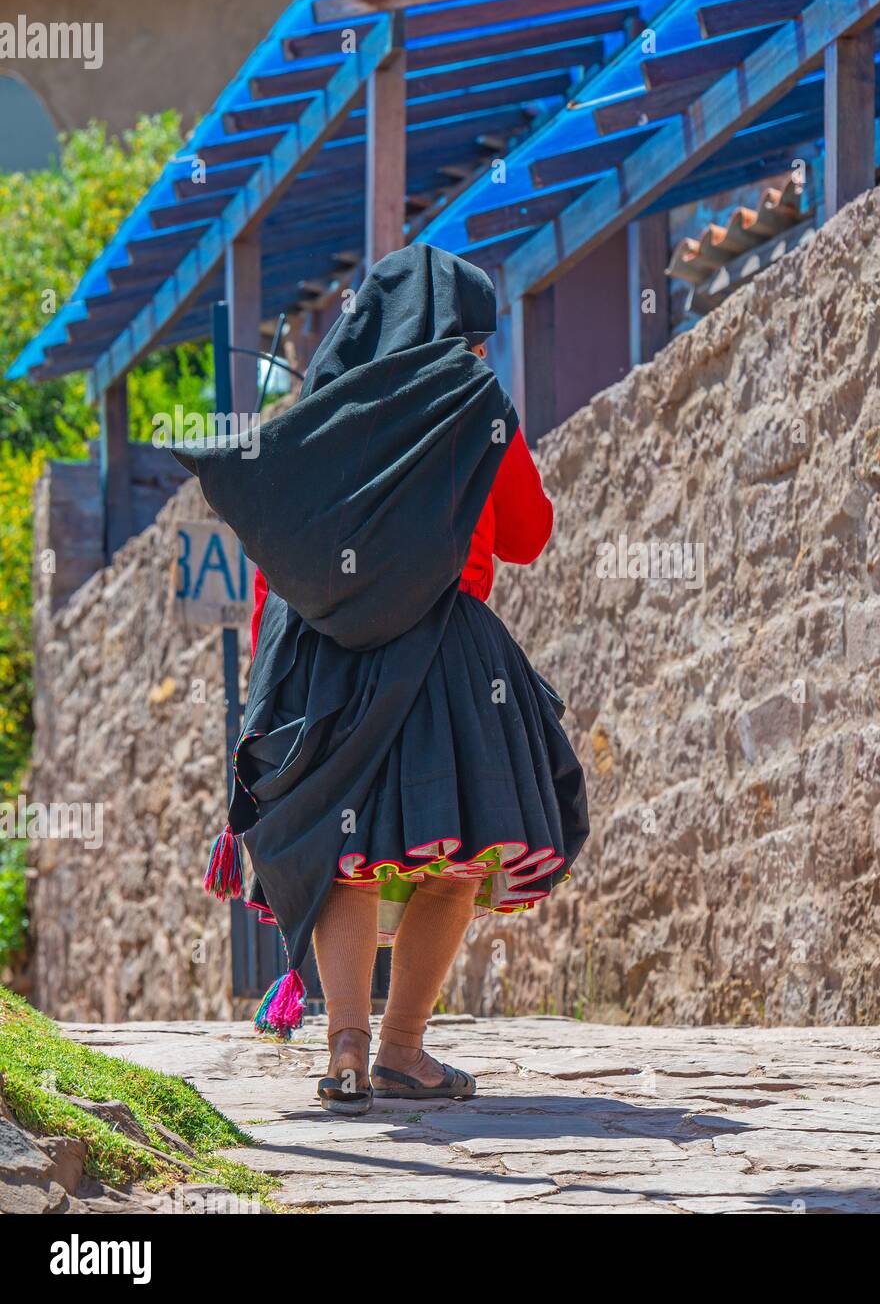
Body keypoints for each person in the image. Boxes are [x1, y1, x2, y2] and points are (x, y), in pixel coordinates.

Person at [176, 244, 589, 1115]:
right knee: (454, 862)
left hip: (319, 659)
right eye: (479, 339)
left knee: (345, 858)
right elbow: (526, 534)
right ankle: (405, 1051)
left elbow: (277, 555)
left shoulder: (316, 413)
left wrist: (269, 677)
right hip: (445, 664)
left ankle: (347, 1055)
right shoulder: (474, 405)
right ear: (464, 336)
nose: (481, 355)